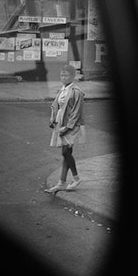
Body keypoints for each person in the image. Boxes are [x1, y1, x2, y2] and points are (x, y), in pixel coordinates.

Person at [45, 65, 86, 194]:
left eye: (66, 75)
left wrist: (67, 127)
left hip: (71, 125)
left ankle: (76, 178)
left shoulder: (76, 91)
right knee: (65, 153)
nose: (63, 78)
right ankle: (62, 183)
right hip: (60, 122)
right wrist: (53, 119)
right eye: (62, 75)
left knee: (65, 152)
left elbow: (77, 112)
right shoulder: (62, 90)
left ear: (73, 77)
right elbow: (55, 105)